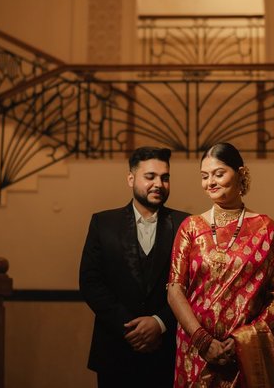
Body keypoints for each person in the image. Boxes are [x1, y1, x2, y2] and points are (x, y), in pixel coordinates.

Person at [167, 142, 274, 387]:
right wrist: (203, 341)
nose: (210, 182)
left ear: (240, 174)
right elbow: (175, 290)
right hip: (195, 353)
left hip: (244, 357)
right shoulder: (191, 228)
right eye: (204, 176)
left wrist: (243, 339)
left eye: (219, 174)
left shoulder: (265, 229)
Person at [79, 146, 191, 387]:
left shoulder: (186, 224)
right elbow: (90, 283)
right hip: (115, 351)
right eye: (150, 176)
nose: (158, 184)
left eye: (165, 177)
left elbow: (193, 285)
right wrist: (131, 328)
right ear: (131, 179)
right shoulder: (103, 223)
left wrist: (159, 323)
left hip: (168, 352)